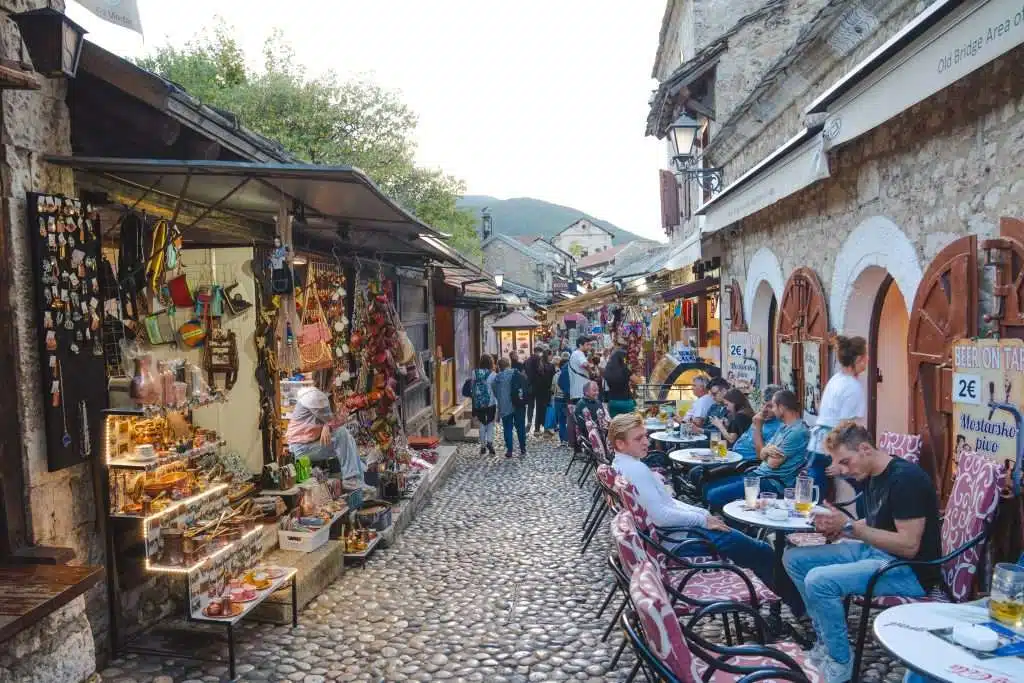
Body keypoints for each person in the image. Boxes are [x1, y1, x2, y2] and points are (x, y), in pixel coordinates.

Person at [783, 422, 941, 683]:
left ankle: (840, 663)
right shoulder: (873, 475)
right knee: (795, 559)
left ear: (865, 449)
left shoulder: (905, 479)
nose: (843, 470)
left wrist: (848, 527)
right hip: (876, 553)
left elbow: (909, 546)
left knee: (819, 581)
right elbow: (878, 522)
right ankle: (826, 644)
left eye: (845, 462)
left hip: (909, 571)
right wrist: (838, 526)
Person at [609, 413, 801, 613]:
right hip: (681, 541)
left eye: (645, 436)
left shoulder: (622, 466)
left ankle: (777, 603)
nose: (646, 442)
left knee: (749, 544)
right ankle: (798, 609)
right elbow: (661, 516)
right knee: (763, 551)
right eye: (638, 438)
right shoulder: (636, 469)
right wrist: (702, 519)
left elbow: (667, 503)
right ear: (620, 444)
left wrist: (702, 514)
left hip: (672, 536)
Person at [702, 389, 809, 509]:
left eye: (772, 406)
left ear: (782, 407)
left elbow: (773, 463)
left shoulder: (797, 432)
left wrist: (766, 452)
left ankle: (738, 526)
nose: (769, 410)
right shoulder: (784, 427)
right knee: (708, 486)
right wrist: (766, 451)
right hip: (758, 474)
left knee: (714, 495)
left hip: (772, 482)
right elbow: (762, 454)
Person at [690, 385, 784, 498]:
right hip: (731, 454)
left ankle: (708, 507)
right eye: (763, 404)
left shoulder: (768, 424)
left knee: (700, 475)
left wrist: (720, 427)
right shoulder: (756, 417)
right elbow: (739, 439)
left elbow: (760, 455)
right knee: (696, 469)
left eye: (769, 406)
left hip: (742, 463)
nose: (763, 409)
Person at [811, 335, 868, 491]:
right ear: (859, 359)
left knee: (816, 495)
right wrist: (840, 461)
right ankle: (866, 516)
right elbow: (845, 428)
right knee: (865, 486)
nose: (867, 360)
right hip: (831, 448)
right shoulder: (853, 388)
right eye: (866, 356)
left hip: (818, 446)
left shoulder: (836, 379)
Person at [285, 387, 363, 481]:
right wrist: (328, 425)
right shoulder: (314, 397)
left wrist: (327, 426)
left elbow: (330, 421)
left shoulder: (320, 398)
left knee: (348, 439)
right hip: (300, 449)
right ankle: (351, 478)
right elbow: (332, 421)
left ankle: (358, 480)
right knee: (342, 433)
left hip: (308, 445)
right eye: (333, 376)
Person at [492, 357, 527, 457]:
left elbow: (495, 392)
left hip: (505, 406)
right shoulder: (517, 374)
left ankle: (509, 450)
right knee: (520, 426)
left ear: (499, 367)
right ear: (509, 364)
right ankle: (522, 448)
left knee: (507, 428)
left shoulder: (497, 378)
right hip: (518, 404)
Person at [567, 336, 594, 453]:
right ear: (581, 345)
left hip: (578, 391)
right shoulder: (578, 353)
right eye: (587, 345)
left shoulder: (576, 354)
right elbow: (584, 364)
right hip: (580, 392)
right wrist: (592, 368)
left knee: (579, 420)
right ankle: (581, 446)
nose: (589, 347)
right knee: (582, 420)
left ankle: (579, 445)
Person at [470, 354, 497, 456]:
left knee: (482, 424)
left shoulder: (474, 372)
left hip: (479, 403)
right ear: (491, 363)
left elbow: (472, 387)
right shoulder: (493, 374)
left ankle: (482, 446)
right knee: (490, 423)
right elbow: (495, 389)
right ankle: (489, 442)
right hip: (490, 402)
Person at [526, 345, 556, 435]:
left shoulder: (540, 365)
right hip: (547, 390)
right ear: (548, 356)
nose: (552, 357)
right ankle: (546, 427)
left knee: (539, 409)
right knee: (547, 409)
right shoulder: (550, 366)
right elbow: (552, 379)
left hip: (539, 390)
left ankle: (537, 429)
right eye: (552, 355)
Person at [603, 348, 639, 417]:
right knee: (628, 424)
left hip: (612, 402)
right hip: (625, 401)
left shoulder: (607, 369)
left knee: (616, 425)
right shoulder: (624, 369)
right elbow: (637, 381)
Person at [552, 355, 570, 445]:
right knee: (569, 420)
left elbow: (552, 388)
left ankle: (563, 439)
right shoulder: (570, 375)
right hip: (567, 399)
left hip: (558, 399)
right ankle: (570, 438)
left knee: (561, 421)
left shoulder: (556, 375)